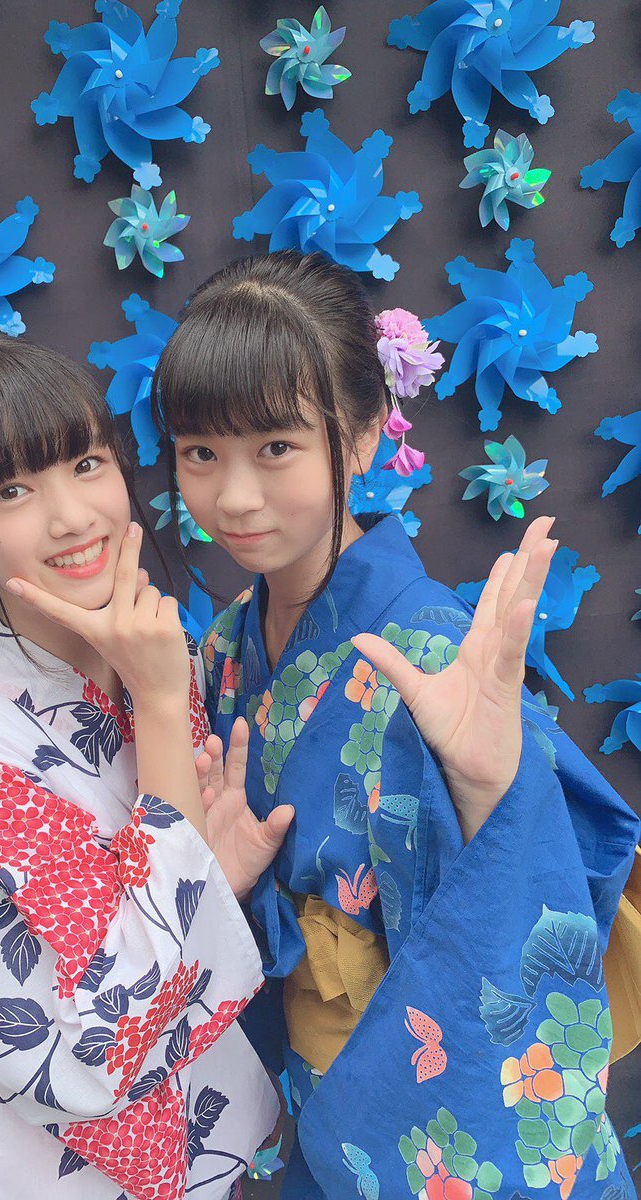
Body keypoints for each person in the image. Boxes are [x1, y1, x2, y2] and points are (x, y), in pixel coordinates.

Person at [153, 249, 641, 1199]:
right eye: (201, 452)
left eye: (276, 448)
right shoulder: (223, 646)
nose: (234, 496)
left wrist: (491, 789)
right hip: (310, 1103)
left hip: (411, 1105)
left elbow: (527, 902)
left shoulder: (434, 653)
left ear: (365, 435)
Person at [0, 331, 292, 1200]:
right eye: (12, 490)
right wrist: (163, 713)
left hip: (202, 1154)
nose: (73, 516)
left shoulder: (164, 653)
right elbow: (96, 1054)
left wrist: (219, 877)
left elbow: (177, 921)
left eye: (87, 464)